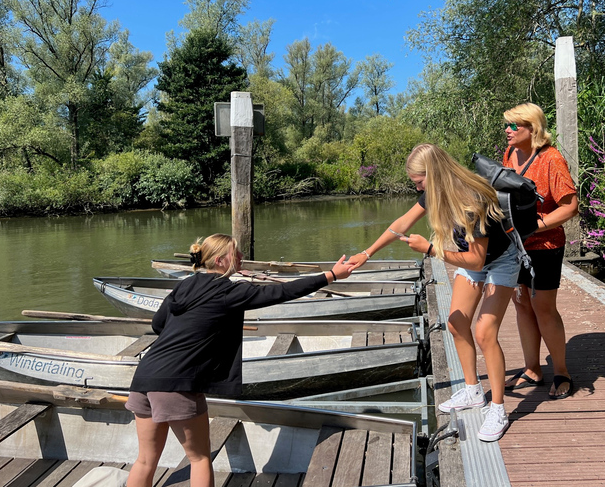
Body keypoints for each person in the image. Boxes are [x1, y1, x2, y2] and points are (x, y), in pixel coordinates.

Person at [125, 233, 356, 487]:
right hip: (176, 384)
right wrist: (331, 275)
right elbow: (280, 292)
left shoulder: (183, 286)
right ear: (222, 260)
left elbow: (158, 325)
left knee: (146, 460)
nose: (241, 257)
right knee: (200, 459)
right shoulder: (228, 292)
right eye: (237, 253)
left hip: (144, 377)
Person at [347, 143, 519, 443]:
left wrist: (429, 248)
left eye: (419, 182)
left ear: (434, 173)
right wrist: (367, 252)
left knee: (485, 332)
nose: (417, 189)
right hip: (472, 258)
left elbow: (477, 260)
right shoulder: (436, 191)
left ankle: (498, 409)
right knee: (455, 323)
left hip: (500, 261)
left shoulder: (472, 199)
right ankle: (473, 391)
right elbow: (401, 224)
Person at [501, 103, 579, 399]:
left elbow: (570, 206)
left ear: (531, 128)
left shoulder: (551, 159)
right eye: (506, 125)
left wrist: (537, 225)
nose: (507, 130)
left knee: (543, 308)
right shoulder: (510, 154)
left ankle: (562, 372)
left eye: (513, 126)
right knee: (521, 305)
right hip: (514, 245)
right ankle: (532, 369)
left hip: (544, 245)